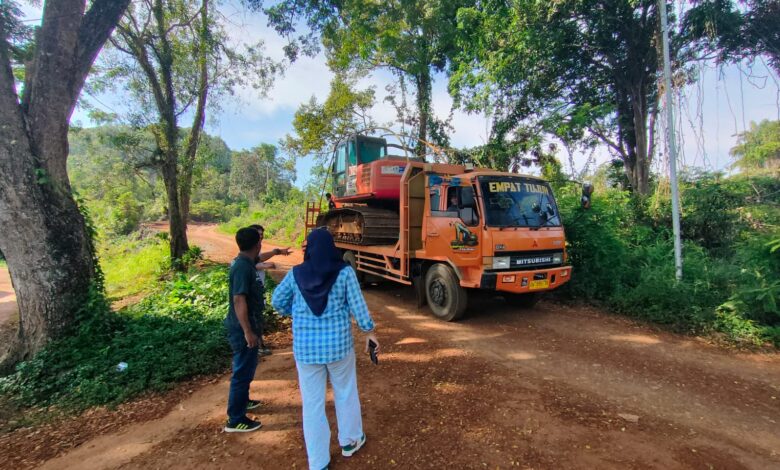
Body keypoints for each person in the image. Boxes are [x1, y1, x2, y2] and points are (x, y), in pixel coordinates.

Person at [272, 228, 379, 470]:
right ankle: (351, 441)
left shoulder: (296, 274)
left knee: (312, 404)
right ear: (333, 247)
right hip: (339, 348)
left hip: (306, 352)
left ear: (308, 249)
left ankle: (319, 463)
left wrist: (296, 313)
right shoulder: (344, 273)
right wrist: (369, 332)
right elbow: (358, 307)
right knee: (346, 392)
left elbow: (277, 301)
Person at [224, 227, 266, 433]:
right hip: (242, 328)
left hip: (248, 326)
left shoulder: (246, 264)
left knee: (247, 369)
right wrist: (248, 331)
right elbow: (239, 299)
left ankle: (244, 401)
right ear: (257, 244)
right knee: (241, 372)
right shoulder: (242, 267)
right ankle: (235, 419)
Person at [248, 224, 291, 357]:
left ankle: (259, 344)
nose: (260, 239)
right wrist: (263, 265)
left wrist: (277, 251)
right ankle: (256, 346)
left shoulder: (255, 252)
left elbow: (259, 259)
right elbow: (253, 263)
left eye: (262, 236)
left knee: (258, 318)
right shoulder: (247, 255)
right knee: (254, 319)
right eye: (258, 236)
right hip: (250, 294)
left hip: (258, 292)